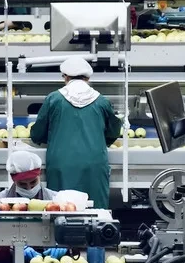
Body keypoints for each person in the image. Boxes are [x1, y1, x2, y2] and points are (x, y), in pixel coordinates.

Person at [30, 56, 122, 209]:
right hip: (94, 162)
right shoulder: (101, 101)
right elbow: (113, 132)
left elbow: (37, 134)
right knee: (95, 210)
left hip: (61, 163)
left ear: (65, 77)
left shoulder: (54, 99)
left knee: (62, 209)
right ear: (88, 78)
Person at [0, 150, 60, 263]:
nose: (29, 188)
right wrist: (12, 248)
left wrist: (63, 245)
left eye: (33, 182)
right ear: (13, 180)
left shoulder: (55, 200)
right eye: (23, 184)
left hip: (49, 262)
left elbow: (73, 235)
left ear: (39, 175)